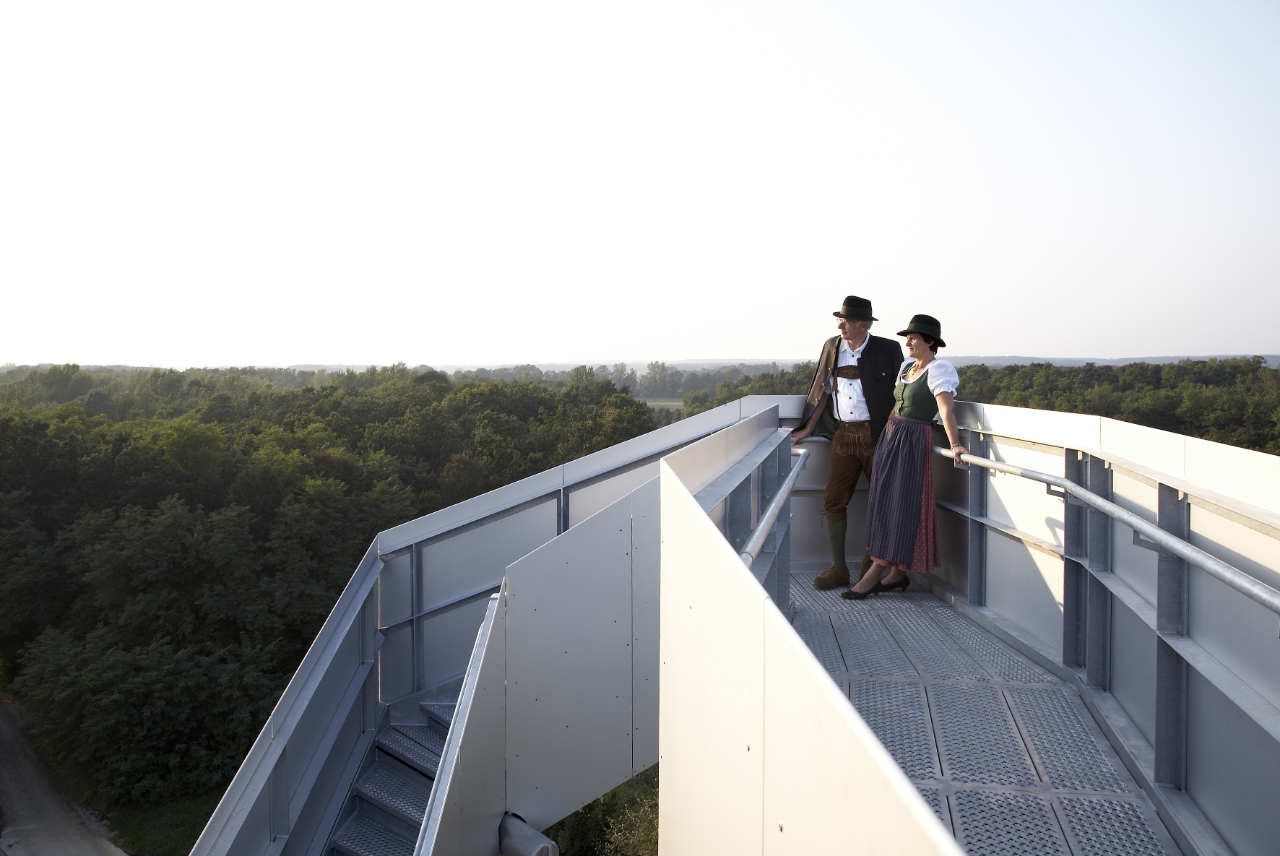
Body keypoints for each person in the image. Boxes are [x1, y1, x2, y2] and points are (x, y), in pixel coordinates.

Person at [843, 313, 969, 599]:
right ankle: (897, 573)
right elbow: (896, 405)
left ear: (930, 342)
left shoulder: (939, 370)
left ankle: (876, 572)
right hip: (892, 438)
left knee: (900, 505)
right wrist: (884, 439)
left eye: (913, 338)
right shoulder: (906, 367)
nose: (908, 342)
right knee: (884, 501)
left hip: (912, 441)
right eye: (908, 337)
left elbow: (946, 410)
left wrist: (956, 444)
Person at [791, 295, 904, 591]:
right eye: (840, 321)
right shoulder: (832, 347)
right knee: (833, 500)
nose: (840, 326)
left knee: (882, 502)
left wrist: (894, 434)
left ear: (864, 324)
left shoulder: (888, 350)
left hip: (878, 436)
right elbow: (822, 391)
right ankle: (838, 569)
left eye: (847, 321)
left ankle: (870, 569)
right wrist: (807, 428)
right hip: (843, 435)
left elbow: (902, 394)